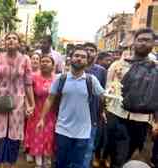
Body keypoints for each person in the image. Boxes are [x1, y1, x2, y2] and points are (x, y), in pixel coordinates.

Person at [37, 45, 105, 168]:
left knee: (78, 164)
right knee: (60, 163)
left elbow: (103, 97)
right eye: (77, 56)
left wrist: (103, 111)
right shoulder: (60, 79)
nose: (79, 59)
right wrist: (42, 118)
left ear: (87, 60)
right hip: (62, 129)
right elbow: (50, 99)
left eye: (83, 57)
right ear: (70, 58)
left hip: (83, 132)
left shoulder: (91, 80)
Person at [105, 28, 157, 168]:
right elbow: (107, 91)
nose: (143, 43)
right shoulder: (117, 66)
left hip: (141, 121)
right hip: (117, 118)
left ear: (153, 44)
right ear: (134, 42)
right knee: (117, 158)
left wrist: (156, 122)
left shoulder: (155, 69)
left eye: (147, 40)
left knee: (132, 159)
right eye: (140, 40)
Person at [0, 32, 35, 168]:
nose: (11, 40)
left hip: (18, 101)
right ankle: (1, 163)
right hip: (1, 100)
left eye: (14, 38)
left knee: (14, 134)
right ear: (4, 42)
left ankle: (11, 163)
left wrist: (31, 104)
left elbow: (28, 83)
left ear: (19, 43)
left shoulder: (25, 59)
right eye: (8, 38)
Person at [24, 55, 56, 168]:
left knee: (49, 136)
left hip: (51, 113)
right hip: (36, 111)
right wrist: (29, 107)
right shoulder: (33, 77)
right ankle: (38, 162)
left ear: (53, 65)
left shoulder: (57, 79)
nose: (44, 63)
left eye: (48, 61)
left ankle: (47, 160)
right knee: (37, 135)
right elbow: (27, 94)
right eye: (42, 61)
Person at [83, 42, 107, 168]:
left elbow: (103, 93)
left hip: (93, 112)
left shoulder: (102, 71)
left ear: (96, 53)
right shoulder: (76, 68)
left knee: (90, 144)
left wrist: (102, 111)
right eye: (86, 49)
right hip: (77, 112)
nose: (88, 52)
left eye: (91, 50)